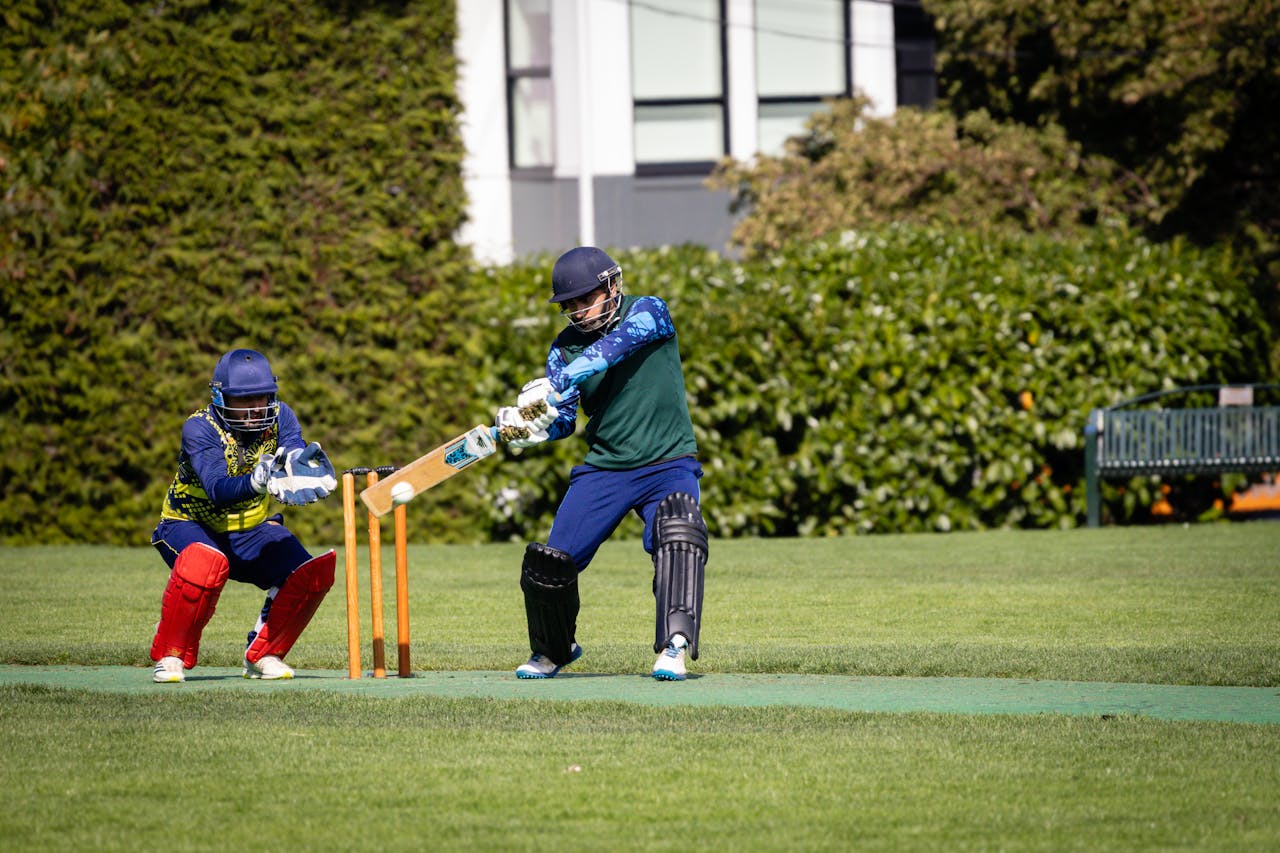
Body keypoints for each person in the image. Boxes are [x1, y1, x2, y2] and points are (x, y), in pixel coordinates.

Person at [495, 246, 709, 681]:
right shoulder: (563, 349)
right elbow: (567, 421)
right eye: (569, 304)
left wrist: (558, 383)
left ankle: (674, 646)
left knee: (679, 531)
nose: (577, 310)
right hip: (606, 468)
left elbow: (615, 348)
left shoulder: (648, 311)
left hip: (668, 463)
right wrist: (532, 430)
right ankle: (553, 650)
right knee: (549, 564)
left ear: (613, 285)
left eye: (584, 298)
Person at [149, 348, 338, 683]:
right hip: (190, 525)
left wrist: (300, 471)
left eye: (261, 397)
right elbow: (217, 488)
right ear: (221, 397)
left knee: (310, 575)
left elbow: (293, 451)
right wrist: (257, 480)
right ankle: (171, 656)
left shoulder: (281, 416)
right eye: (244, 400)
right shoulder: (200, 428)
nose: (255, 408)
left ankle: (264, 654)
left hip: (250, 529)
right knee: (203, 564)